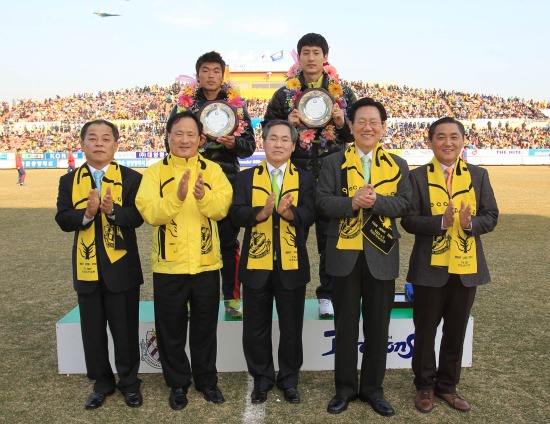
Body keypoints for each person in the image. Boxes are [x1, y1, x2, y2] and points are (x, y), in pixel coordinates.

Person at [316, 97, 412, 416]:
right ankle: (344, 389)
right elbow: (322, 202)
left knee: (377, 326)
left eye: (374, 122)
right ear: (351, 126)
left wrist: (376, 201)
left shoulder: (397, 164)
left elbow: (405, 204)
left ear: (383, 127)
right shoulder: (333, 163)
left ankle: (373, 389)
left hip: (381, 256)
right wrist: (352, 203)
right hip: (344, 255)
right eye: (361, 121)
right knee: (344, 327)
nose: (367, 127)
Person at [401, 117, 498, 413]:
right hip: (429, 269)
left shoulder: (478, 175)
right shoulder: (417, 177)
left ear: (463, 141)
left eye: (454, 136)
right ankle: (424, 386)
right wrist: (441, 222)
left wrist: (470, 224)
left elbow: (491, 216)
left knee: (456, 330)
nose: (448, 142)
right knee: (425, 331)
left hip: (466, 268)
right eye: (441, 136)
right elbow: (408, 220)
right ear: (430, 142)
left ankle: (447, 386)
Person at [136, 111, 232, 410]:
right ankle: (178, 383)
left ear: (200, 138)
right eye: (178, 133)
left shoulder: (213, 171)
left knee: (205, 328)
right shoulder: (154, 173)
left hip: (206, 264)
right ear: (168, 137)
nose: (185, 139)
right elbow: (150, 213)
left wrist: (204, 197)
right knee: (170, 330)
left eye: (191, 134)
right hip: (169, 265)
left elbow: (221, 209)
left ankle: (206, 381)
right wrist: (176, 198)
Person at [263, 33, 357, 318]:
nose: (311, 58)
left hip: (333, 173)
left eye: (317, 52)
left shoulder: (343, 92)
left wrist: (342, 122)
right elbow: (267, 130)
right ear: (299, 56)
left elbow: (354, 134)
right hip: (297, 174)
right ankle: (289, 294)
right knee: (293, 237)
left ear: (325, 57)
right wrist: (285, 123)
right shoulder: (284, 94)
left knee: (330, 240)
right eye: (306, 52)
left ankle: (327, 295)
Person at [55, 119, 144, 410]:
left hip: (122, 269)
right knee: (92, 331)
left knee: (125, 330)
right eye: (92, 138)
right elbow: (63, 219)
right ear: (82, 144)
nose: (99, 143)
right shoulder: (69, 180)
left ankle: (129, 383)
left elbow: (138, 217)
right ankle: (102, 383)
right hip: (87, 267)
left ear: (116, 145)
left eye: (106, 138)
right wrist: (87, 214)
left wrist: (113, 211)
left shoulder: (131, 178)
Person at [230, 120, 316, 404]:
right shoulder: (246, 178)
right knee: (255, 328)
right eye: (273, 138)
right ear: (263, 143)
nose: (278, 144)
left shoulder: (304, 178)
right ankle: (261, 378)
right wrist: (261, 213)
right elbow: (235, 213)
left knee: (291, 328)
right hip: (257, 266)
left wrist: (290, 214)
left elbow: (311, 214)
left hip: (291, 266)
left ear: (293, 145)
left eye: (284, 139)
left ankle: (289, 380)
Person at [169, 51, 256, 318]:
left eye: (216, 71)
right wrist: (197, 143)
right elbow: (169, 142)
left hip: (226, 181)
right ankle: (191, 301)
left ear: (222, 75)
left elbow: (249, 146)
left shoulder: (236, 105)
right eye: (205, 70)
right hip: (191, 181)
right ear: (197, 75)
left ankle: (231, 298)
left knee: (228, 243)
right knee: (191, 241)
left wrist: (234, 143)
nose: (210, 75)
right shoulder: (184, 105)